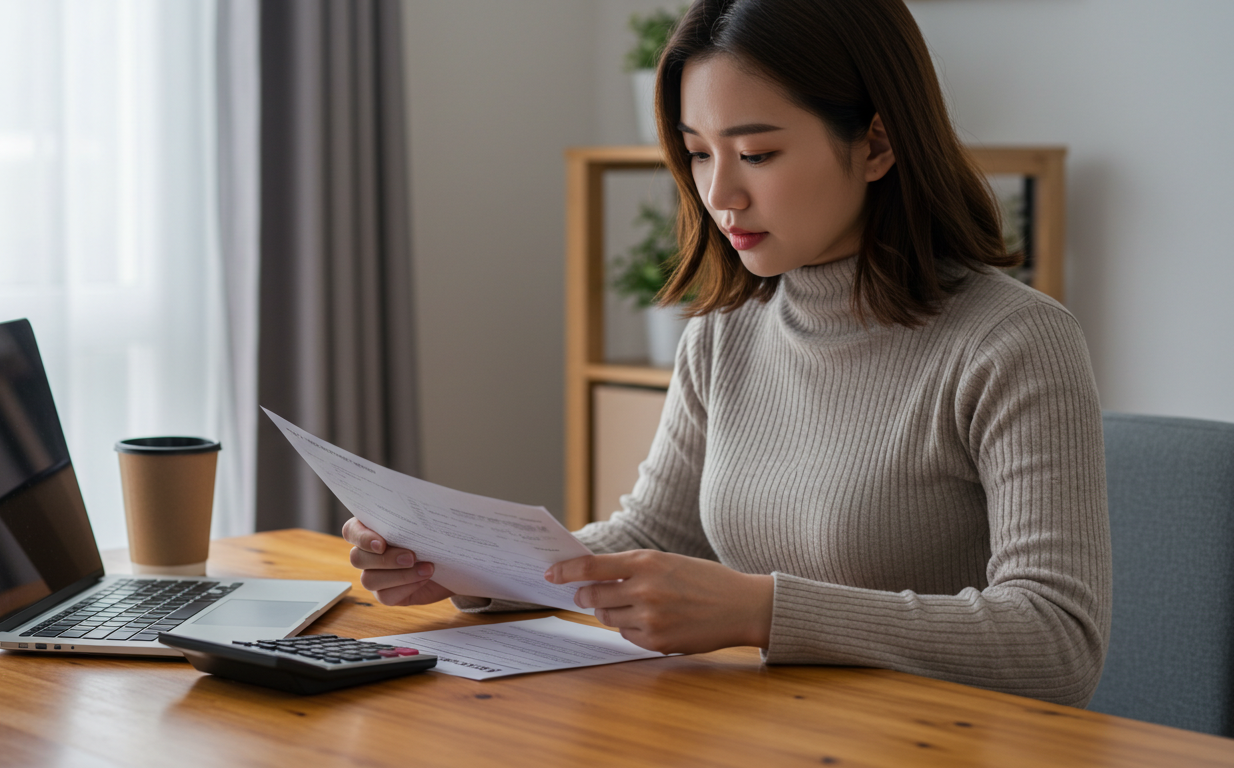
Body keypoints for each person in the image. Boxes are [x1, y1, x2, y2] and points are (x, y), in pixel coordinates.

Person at [344, 0, 1111, 707]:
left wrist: (762, 610)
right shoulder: (724, 334)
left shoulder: (1014, 341)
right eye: (699, 154)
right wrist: (464, 568)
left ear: (877, 143)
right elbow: (652, 536)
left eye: (758, 154)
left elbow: (1057, 638)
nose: (721, 196)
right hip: (776, 731)